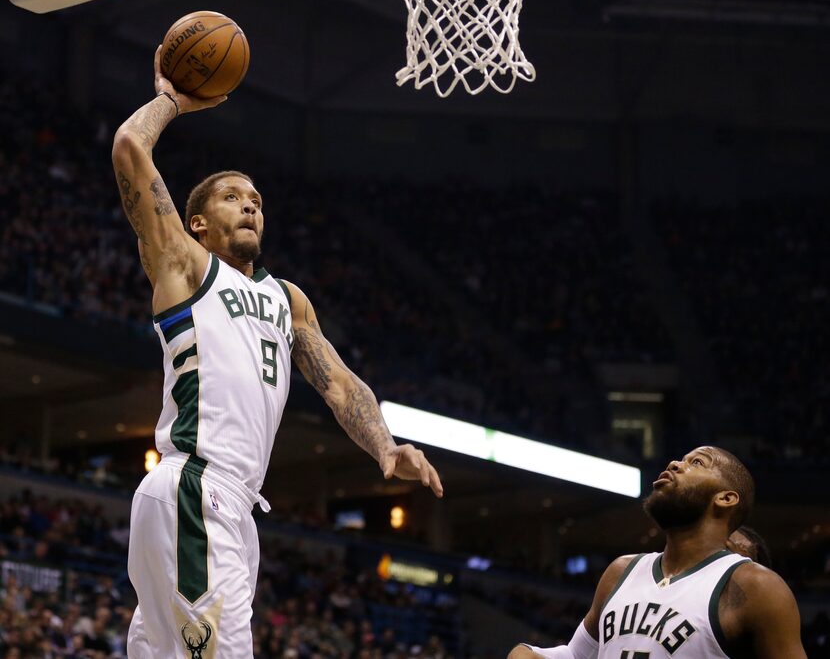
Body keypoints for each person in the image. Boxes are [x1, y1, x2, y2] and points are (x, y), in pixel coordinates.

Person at [112, 47, 444, 659]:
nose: (250, 206)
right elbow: (131, 151)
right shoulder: (185, 266)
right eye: (233, 197)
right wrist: (172, 100)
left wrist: (384, 445)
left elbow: (340, 385)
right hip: (197, 487)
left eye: (258, 200)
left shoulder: (287, 299)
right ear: (196, 224)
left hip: (235, 506)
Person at [508, 446, 806, 659]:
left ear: (726, 498)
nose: (676, 464)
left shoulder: (757, 587)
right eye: (680, 459)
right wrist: (533, 654)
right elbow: (578, 654)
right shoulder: (621, 571)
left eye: (697, 463)